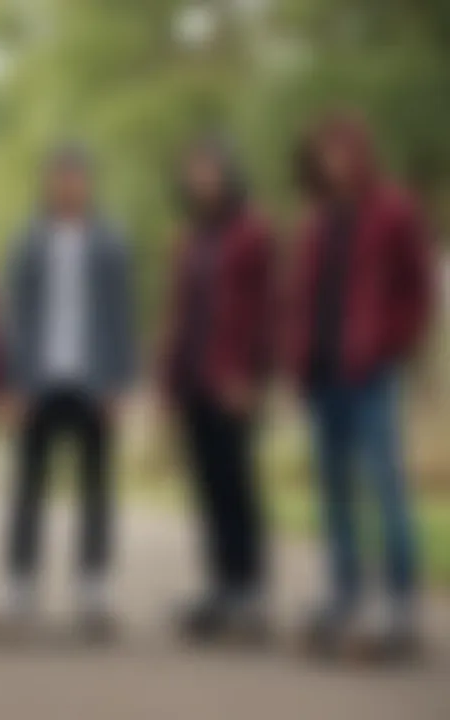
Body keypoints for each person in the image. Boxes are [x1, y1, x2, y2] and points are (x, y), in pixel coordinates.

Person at [286, 113, 432, 655]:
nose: (335, 160)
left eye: (344, 149)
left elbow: (417, 291)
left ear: (362, 152)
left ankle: (399, 604)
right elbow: (301, 298)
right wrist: (298, 356)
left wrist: (390, 343)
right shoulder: (318, 219)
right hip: (322, 372)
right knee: (334, 493)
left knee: (385, 486)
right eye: (326, 151)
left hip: (370, 371)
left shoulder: (393, 209)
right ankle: (344, 596)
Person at [2, 145, 136, 636]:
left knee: (96, 488)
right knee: (28, 487)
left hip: (93, 382)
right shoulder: (28, 242)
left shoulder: (110, 241)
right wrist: (10, 384)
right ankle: (20, 585)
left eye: (77, 178)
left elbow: (123, 314)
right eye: (59, 178)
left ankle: (93, 586)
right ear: (48, 185)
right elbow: (12, 316)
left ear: (89, 183)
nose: (68, 186)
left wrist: (121, 382)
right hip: (38, 382)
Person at [159, 136, 274, 642]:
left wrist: (252, 374)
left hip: (233, 380)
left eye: (208, 169)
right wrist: (167, 379)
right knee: (207, 487)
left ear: (228, 174)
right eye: (193, 172)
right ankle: (220, 588)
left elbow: (270, 308)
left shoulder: (252, 232)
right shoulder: (190, 236)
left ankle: (250, 593)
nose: (200, 179)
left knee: (237, 486)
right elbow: (179, 312)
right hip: (193, 380)